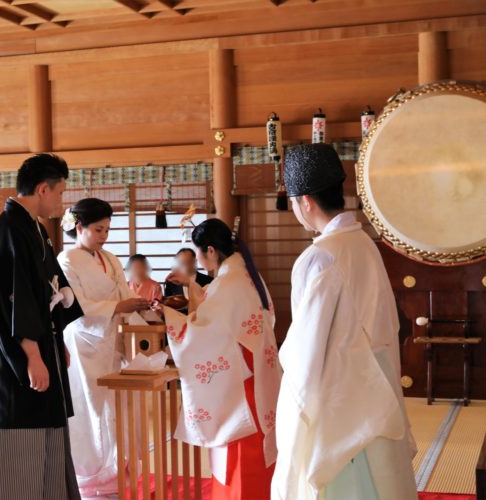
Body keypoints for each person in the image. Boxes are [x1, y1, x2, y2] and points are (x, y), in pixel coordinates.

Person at [271, 144, 417, 500]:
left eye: (293, 203)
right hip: (377, 385)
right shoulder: (365, 245)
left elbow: (306, 351)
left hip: (339, 399)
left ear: (305, 202)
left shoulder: (318, 258)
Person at [0, 153, 84, 500]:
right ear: (42, 189)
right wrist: (32, 355)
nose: (61, 201)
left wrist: (56, 345)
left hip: (42, 348)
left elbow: (48, 290)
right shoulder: (7, 230)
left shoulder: (34, 228)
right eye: (59, 193)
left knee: (48, 441)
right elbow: (11, 298)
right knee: (19, 447)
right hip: (18, 361)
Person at [162, 218, 281, 500]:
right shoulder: (245, 275)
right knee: (257, 449)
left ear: (211, 251)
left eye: (199, 254)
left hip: (240, 385)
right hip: (255, 373)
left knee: (239, 448)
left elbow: (203, 330)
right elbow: (221, 311)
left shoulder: (228, 284)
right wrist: (191, 283)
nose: (200, 261)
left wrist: (169, 316)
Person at [57, 199, 151, 497]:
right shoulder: (67, 259)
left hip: (112, 342)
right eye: (98, 229)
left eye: (108, 230)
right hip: (84, 344)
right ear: (79, 227)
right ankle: (89, 477)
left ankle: (114, 472)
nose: (104, 236)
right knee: (89, 409)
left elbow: (123, 296)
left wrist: (142, 310)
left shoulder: (109, 258)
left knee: (114, 407)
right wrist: (118, 306)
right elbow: (75, 306)